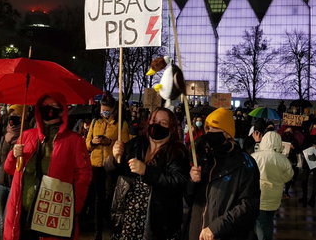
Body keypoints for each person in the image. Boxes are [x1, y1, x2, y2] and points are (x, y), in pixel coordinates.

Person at [4, 92, 92, 240]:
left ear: (63, 110)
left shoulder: (74, 140)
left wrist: (72, 208)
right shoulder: (26, 136)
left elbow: (84, 176)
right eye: (45, 106)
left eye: (54, 106)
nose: (49, 110)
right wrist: (13, 155)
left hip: (53, 214)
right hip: (23, 211)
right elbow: (10, 169)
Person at [107, 107, 189, 240]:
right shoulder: (136, 144)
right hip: (128, 219)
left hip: (157, 224)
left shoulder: (178, 152)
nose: (157, 125)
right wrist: (115, 158)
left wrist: (147, 171)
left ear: (171, 128)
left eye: (163, 123)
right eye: (154, 120)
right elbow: (113, 171)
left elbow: (177, 182)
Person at [187, 108, 260, 240]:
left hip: (224, 235)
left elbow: (249, 205)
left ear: (227, 133)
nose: (209, 132)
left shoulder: (245, 163)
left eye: (214, 128)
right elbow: (189, 200)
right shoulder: (203, 159)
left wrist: (217, 227)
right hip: (197, 233)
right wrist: (192, 182)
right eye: (207, 128)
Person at [86, 93, 130, 240]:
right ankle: (98, 232)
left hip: (111, 166)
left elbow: (124, 144)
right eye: (102, 109)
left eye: (106, 110)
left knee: (110, 197)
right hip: (96, 165)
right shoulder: (94, 123)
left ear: (113, 110)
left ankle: (112, 227)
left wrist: (109, 142)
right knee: (98, 198)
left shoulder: (120, 124)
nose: (104, 112)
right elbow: (87, 144)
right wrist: (93, 142)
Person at [0, 104, 25, 236]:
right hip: (1, 184)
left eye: (16, 115)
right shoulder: (6, 136)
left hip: (15, 185)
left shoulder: (25, 137)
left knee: (9, 220)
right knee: (1, 221)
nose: (12, 118)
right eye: (11, 114)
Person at [252, 129, 293, 240]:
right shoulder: (283, 160)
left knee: (260, 223)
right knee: (269, 220)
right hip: (275, 196)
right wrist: (279, 180)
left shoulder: (255, 156)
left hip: (259, 195)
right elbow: (289, 176)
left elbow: (249, 174)